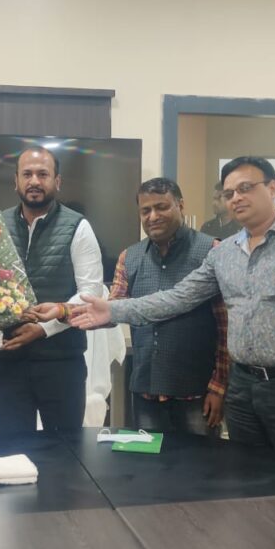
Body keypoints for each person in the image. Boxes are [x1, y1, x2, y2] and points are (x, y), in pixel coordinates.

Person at [71, 156, 275, 464]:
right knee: (245, 476)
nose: (236, 198)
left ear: (273, 187)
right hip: (243, 388)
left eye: (245, 188)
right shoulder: (225, 252)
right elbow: (177, 298)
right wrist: (112, 311)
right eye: (229, 193)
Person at [0, 147, 104, 434]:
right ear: (16, 181)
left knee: (64, 451)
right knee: (12, 450)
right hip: (8, 363)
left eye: (43, 174)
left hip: (61, 364)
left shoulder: (78, 227)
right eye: (27, 174)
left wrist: (42, 329)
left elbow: (90, 295)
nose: (34, 181)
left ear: (57, 181)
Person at [111, 178, 228, 435]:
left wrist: (219, 387)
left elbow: (226, 327)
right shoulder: (128, 257)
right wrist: (66, 312)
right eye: (145, 210)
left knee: (200, 460)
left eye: (161, 207)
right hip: (146, 391)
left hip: (198, 392)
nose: (153, 216)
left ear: (180, 205)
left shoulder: (212, 250)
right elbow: (111, 310)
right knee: (149, 460)